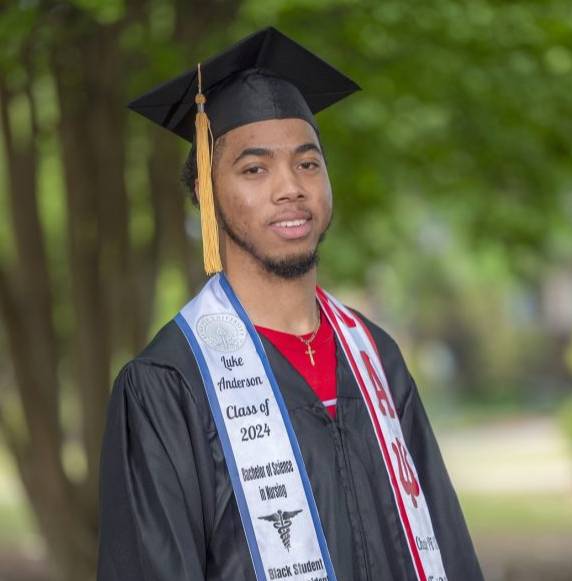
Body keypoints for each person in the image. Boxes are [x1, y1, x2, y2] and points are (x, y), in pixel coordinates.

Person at [97, 26, 483, 581]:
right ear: (207, 193)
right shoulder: (168, 384)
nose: (291, 188)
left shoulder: (376, 357)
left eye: (307, 163)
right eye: (255, 169)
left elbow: (447, 544)